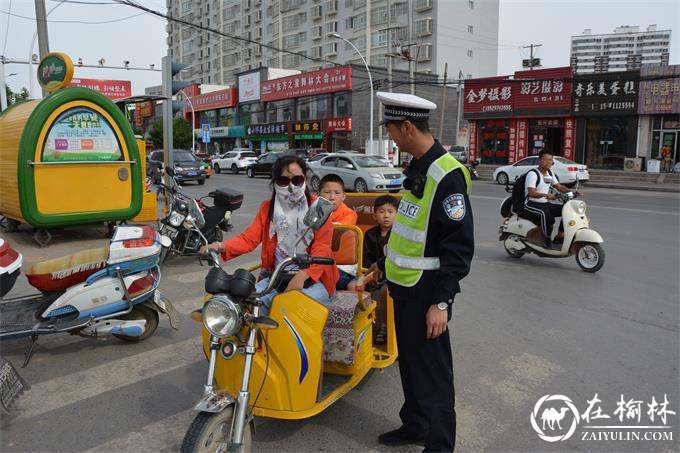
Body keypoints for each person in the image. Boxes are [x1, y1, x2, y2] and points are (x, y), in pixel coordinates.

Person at [369, 92, 474, 452]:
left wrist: (442, 302)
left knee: (433, 375)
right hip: (404, 286)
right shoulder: (417, 166)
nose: (391, 137)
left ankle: (440, 445)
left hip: (428, 291)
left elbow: (457, 248)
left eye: (393, 131)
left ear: (408, 127)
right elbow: (409, 231)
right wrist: (382, 265)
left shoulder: (446, 175)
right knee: (411, 366)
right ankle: (415, 425)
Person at [201, 154, 338, 313]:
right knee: (244, 304)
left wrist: (302, 276)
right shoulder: (268, 208)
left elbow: (322, 249)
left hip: (315, 280)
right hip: (276, 277)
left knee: (287, 307)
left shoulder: (318, 208)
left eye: (297, 180)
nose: (291, 186)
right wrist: (218, 246)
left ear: (305, 180)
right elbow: (249, 239)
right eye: (283, 181)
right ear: (275, 183)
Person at [362, 195, 398, 344]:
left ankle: (384, 326)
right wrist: (370, 273)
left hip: (391, 275)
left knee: (384, 291)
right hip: (372, 273)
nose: (386, 216)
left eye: (390, 211)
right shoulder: (370, 234)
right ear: (374, 215)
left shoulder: (399, 235)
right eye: (382, 212)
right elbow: (365, 257)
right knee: (357, 287)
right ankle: (365, 326)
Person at [522, 149, 575, 248]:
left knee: (567, 210)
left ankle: (560, 236)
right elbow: (531, 193)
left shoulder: (550, 173)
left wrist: (571, 192)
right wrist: (545, 195)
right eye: (545, 159)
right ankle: (546, 239)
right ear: (539, 160)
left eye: (550, 160)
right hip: (531, 203)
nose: (548, 162)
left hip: (544, 203)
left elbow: (559, 186)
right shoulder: (533, 174)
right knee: (546, 215)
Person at [319, 174, 359, 291]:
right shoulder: (314, 210)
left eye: (337, 193)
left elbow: (334, 230)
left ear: (343, 196)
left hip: (343, 268)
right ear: (319, 194)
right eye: (327, 192)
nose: (332, 197)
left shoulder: (349, 214)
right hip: (318, 264)